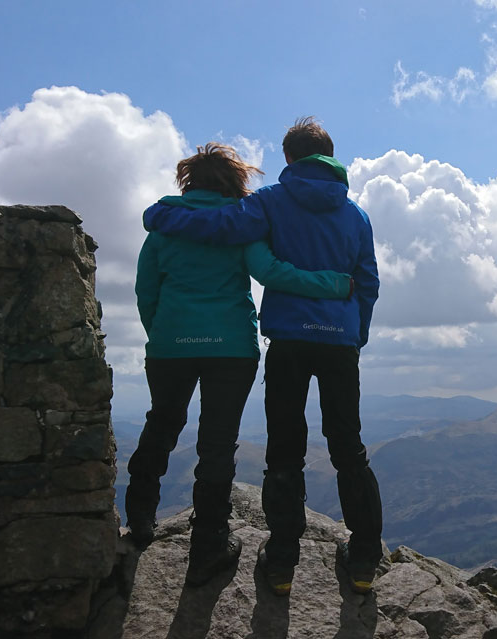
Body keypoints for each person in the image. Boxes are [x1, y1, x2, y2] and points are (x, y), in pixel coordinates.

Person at [143, 117, 382, 597]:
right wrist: (356, 335)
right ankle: (362, 561)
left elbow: (219, 223)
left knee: (285, 450)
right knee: (348, 447)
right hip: (339, 342)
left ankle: (282, 564)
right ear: (330, 155)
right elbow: (369, 282)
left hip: (288, 342)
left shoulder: (270, 202)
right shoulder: (356, 215)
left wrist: (159, 216)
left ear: (288, 157)